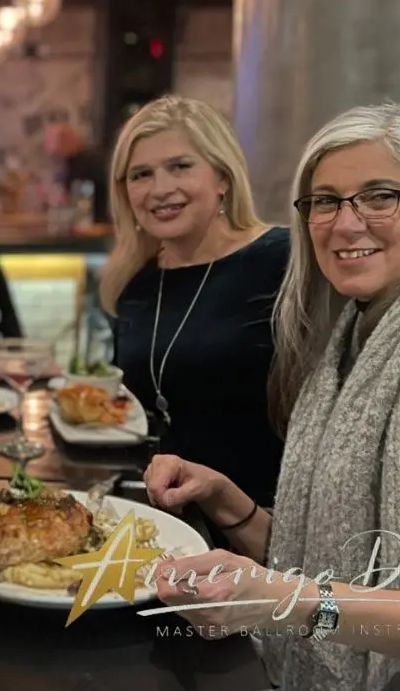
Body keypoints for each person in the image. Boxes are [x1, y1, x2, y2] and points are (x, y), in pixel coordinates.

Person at [147, 104, 400, 690]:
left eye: (381, 195)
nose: (346, 224)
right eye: (325, 200)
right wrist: (229, 504)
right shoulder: (352, 329)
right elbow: (331, 569)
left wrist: (280, 602)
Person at [101, 97, 287, 509]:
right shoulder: (135, 281)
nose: (161, 189)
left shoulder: (283, 260)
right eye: (141, 174)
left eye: (181, 166)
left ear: (222, 177)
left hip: (265, 521)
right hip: (167, 514)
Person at [44, 121, 110, 223]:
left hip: (97, 220)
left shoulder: (91, 160)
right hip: (80, 219)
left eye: (58, 141)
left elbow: (87, 189)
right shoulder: (67, 161)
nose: (54, 152)